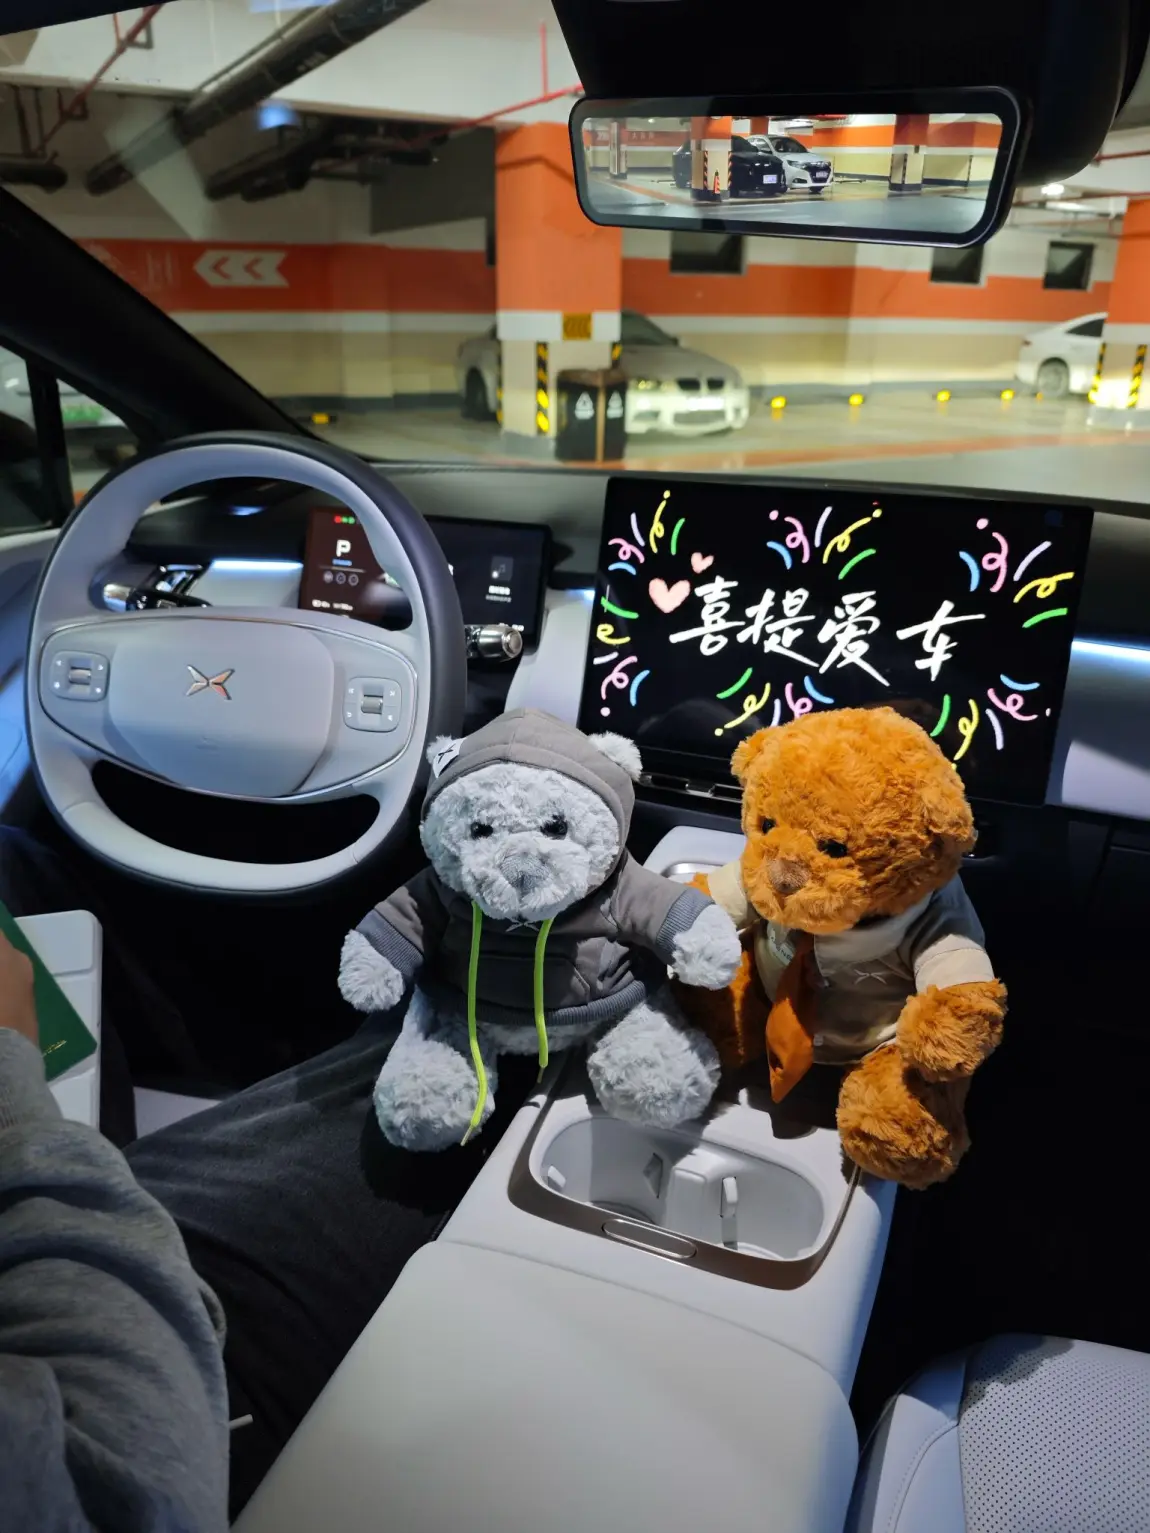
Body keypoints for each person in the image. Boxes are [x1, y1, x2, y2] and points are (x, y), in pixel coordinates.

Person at [0, 824, 539, 1520]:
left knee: (14, 858)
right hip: (122, 1391)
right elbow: (134, 1485)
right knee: (477, 1014)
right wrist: (12, 1095)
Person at [0, 923, 229, 1532]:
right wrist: (8, 1085)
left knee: (35, 871)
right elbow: (153, 1495)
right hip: (155, 1406)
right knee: (371, 1081)